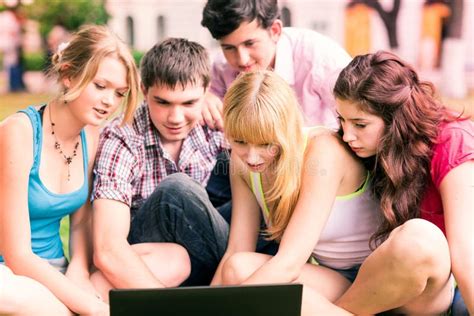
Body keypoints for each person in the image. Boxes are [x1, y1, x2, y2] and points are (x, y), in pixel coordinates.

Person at [211, 70, 381, 315]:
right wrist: (205, 302)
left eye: (266, 143)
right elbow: (238, 249)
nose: (252, 156)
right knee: (237, 267)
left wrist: (222, 309)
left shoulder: (322, 151)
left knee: (274, 296)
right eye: (239, 141)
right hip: (325, 275)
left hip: (366, 278)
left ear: (286, 130)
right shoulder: (241, 164)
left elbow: (289, 263)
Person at [0, 24, 139, 315]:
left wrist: (78, 271)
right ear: (68, 74)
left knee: (165, 262)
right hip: (9, 273)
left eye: (119, 93)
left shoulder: (92, 136)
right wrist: (86, 305)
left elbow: (79, 223)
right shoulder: (19, 132)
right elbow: (17, 255)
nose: (109, 102)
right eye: (100, 86)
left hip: (53, 268)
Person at [333, 50, 473, 314]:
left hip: (440, 284)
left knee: (418, 239)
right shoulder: (367, 147)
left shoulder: (452, 139)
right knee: (244, 269)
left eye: (360, 124)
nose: (347, 135)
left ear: (397, 119)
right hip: (376, 278)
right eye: (342, 121)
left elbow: (465, 256)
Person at [91, 38, 229, 301]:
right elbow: (108, 248)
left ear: (206, 91)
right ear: (144, 90)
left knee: (266, 210)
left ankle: (236, 281)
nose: (175, 118)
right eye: (163, 102)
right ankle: (234, 288)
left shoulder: (214, 125)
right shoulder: (122, 136)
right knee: (176, 190)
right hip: (146, 257)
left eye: (189, 103)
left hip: (201, 253)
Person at [201, 0, 352, 217]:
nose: (242, 59)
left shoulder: (320, 58)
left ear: (274, 30)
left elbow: (358, 121)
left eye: (250, 44)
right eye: (229, 48)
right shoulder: (222, 67)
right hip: (250, 167)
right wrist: (205, 96)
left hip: (310, 172)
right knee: (207, 190)